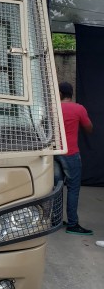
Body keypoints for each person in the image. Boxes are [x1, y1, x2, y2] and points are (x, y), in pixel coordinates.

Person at [55, 81, 93, 236]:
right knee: (73, 188)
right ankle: (72, 224)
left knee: (56, 188)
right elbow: (89, 128)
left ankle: (55, 220)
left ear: (60, 94)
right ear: (70, 94)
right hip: (71, 153)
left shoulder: (53, 108)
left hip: (55, 153)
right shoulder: (78, 108)